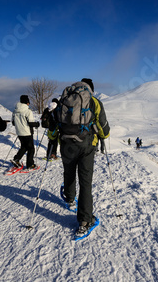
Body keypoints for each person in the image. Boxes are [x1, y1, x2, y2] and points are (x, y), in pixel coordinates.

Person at [48, 78, 110, 238]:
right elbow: (104, 131)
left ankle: (69, 199)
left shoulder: (65, 98)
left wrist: (53, 138)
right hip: (86, 147)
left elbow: (54, 124)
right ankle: (84, 221)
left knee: (68, 172)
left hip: (66, 144)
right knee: (85, 182)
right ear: (91, 89)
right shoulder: (94, 102)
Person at [12, 95, 40, 169]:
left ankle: (16, 159)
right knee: (31, 149)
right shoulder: (28, 111)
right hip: (27, 132)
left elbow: (13, 123)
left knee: (24, 146)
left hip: (19, 132)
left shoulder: (15, 111)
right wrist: (37, 124)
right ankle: (30, 165)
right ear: (27, 102)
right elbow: (31, 122)